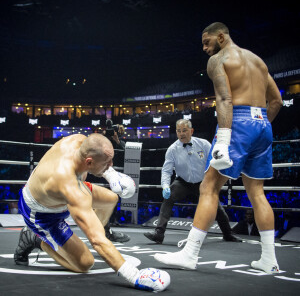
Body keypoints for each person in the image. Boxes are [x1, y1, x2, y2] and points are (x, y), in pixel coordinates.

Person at [154, 22, 283, 274]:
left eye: (207, 42)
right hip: (262, 124)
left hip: (237, 122)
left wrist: (224, 139)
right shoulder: (258, 61)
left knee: (209, 186)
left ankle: (189, 254)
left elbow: (225, 99)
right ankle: (269, 260)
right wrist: (259, 128)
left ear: (221, 37)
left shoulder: (218, 60)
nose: (204, 48)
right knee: (257, 192)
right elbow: (276, 101)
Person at [14, 133, 170, 292]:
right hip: (42, 214)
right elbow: (96, 241)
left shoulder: (81, 142)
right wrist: (133, 275)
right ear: (89, 162)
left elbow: (96, 148)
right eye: (107, 163)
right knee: (85, 263)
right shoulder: (68, 183)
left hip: (65, 190)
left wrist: (111, 174)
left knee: (111, 198)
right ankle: (35, 238)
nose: (111, 164)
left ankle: (102, 231)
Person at [144, 119, 241, 244]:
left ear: (191, 130)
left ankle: (228, 234)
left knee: (216, 207)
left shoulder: (204, 144)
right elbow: (166, 171)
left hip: (203, 182)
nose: (181, 134)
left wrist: (214, 182)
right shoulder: (172, 149)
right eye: (178, 131)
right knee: (168, 198)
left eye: (184, 130)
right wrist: (165, 186)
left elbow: (214, 162)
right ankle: (159, 233)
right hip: (183, 182)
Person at [102, 124, 130, 243]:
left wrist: (117, 141)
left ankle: (112, 223)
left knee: (113, 199)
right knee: (103, 201)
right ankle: (105, 229)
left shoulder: (121, 143)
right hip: (103, 174)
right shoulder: (102, 141)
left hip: (116, 175)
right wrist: (103, 137)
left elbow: (127, 154)